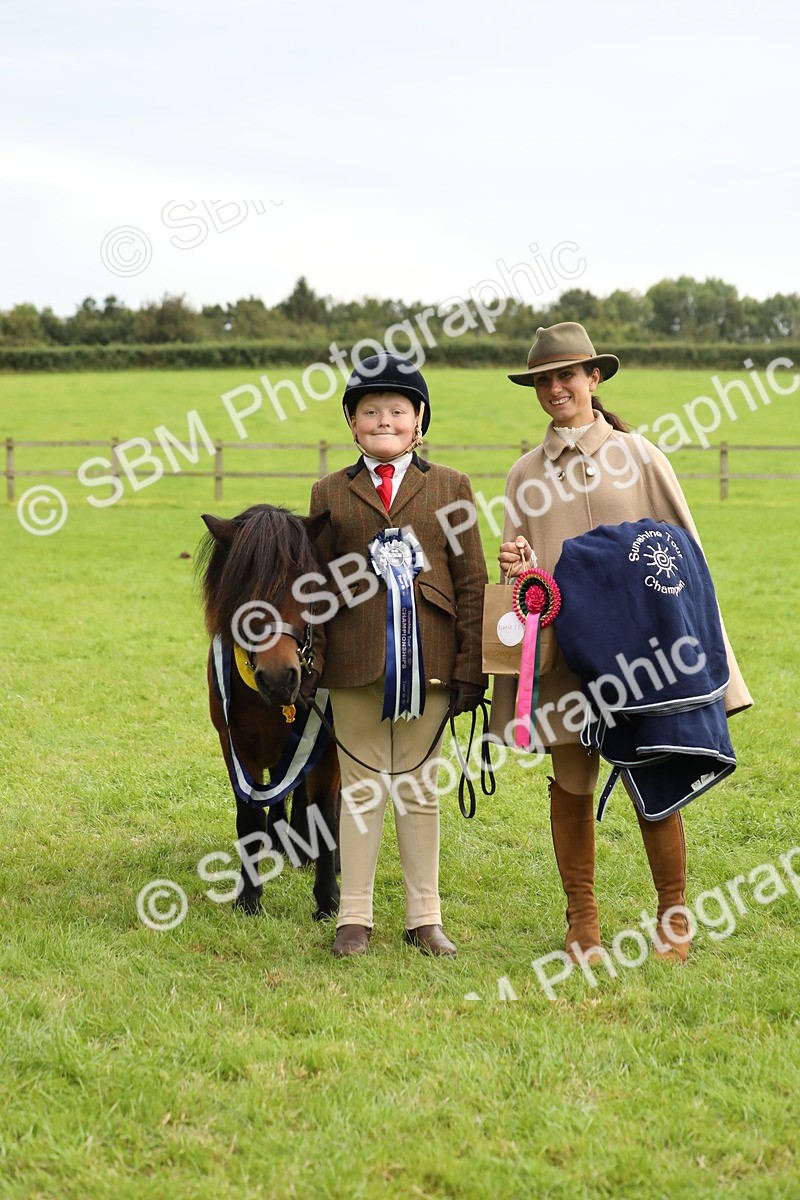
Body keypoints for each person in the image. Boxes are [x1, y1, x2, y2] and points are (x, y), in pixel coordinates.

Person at [491, 322, 752, 964]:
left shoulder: (639, 456)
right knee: (572, 784)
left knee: (655, 776)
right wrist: (517, 567)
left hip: (645, 658)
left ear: (593, 378)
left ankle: (675, 918)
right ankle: (582, 923)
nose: (556, 389)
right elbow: (518, 574)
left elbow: (687, 556)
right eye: (544, 380)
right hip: (566, 656)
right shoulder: (524, 473)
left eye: (567, 376)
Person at [308, 351, 487, 958]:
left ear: (419, 421)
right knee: (359, 787)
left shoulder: (451, 487)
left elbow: (471, 581)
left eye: (397, 410)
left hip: (430, 663)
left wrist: (470, 670)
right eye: (369, 411)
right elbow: (319, 586)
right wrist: (315, 669)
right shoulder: (329, 491)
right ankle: (353, 917)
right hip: (355, 665)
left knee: (418, 789)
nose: (383, 420)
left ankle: (424, 917)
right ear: (352, 423)